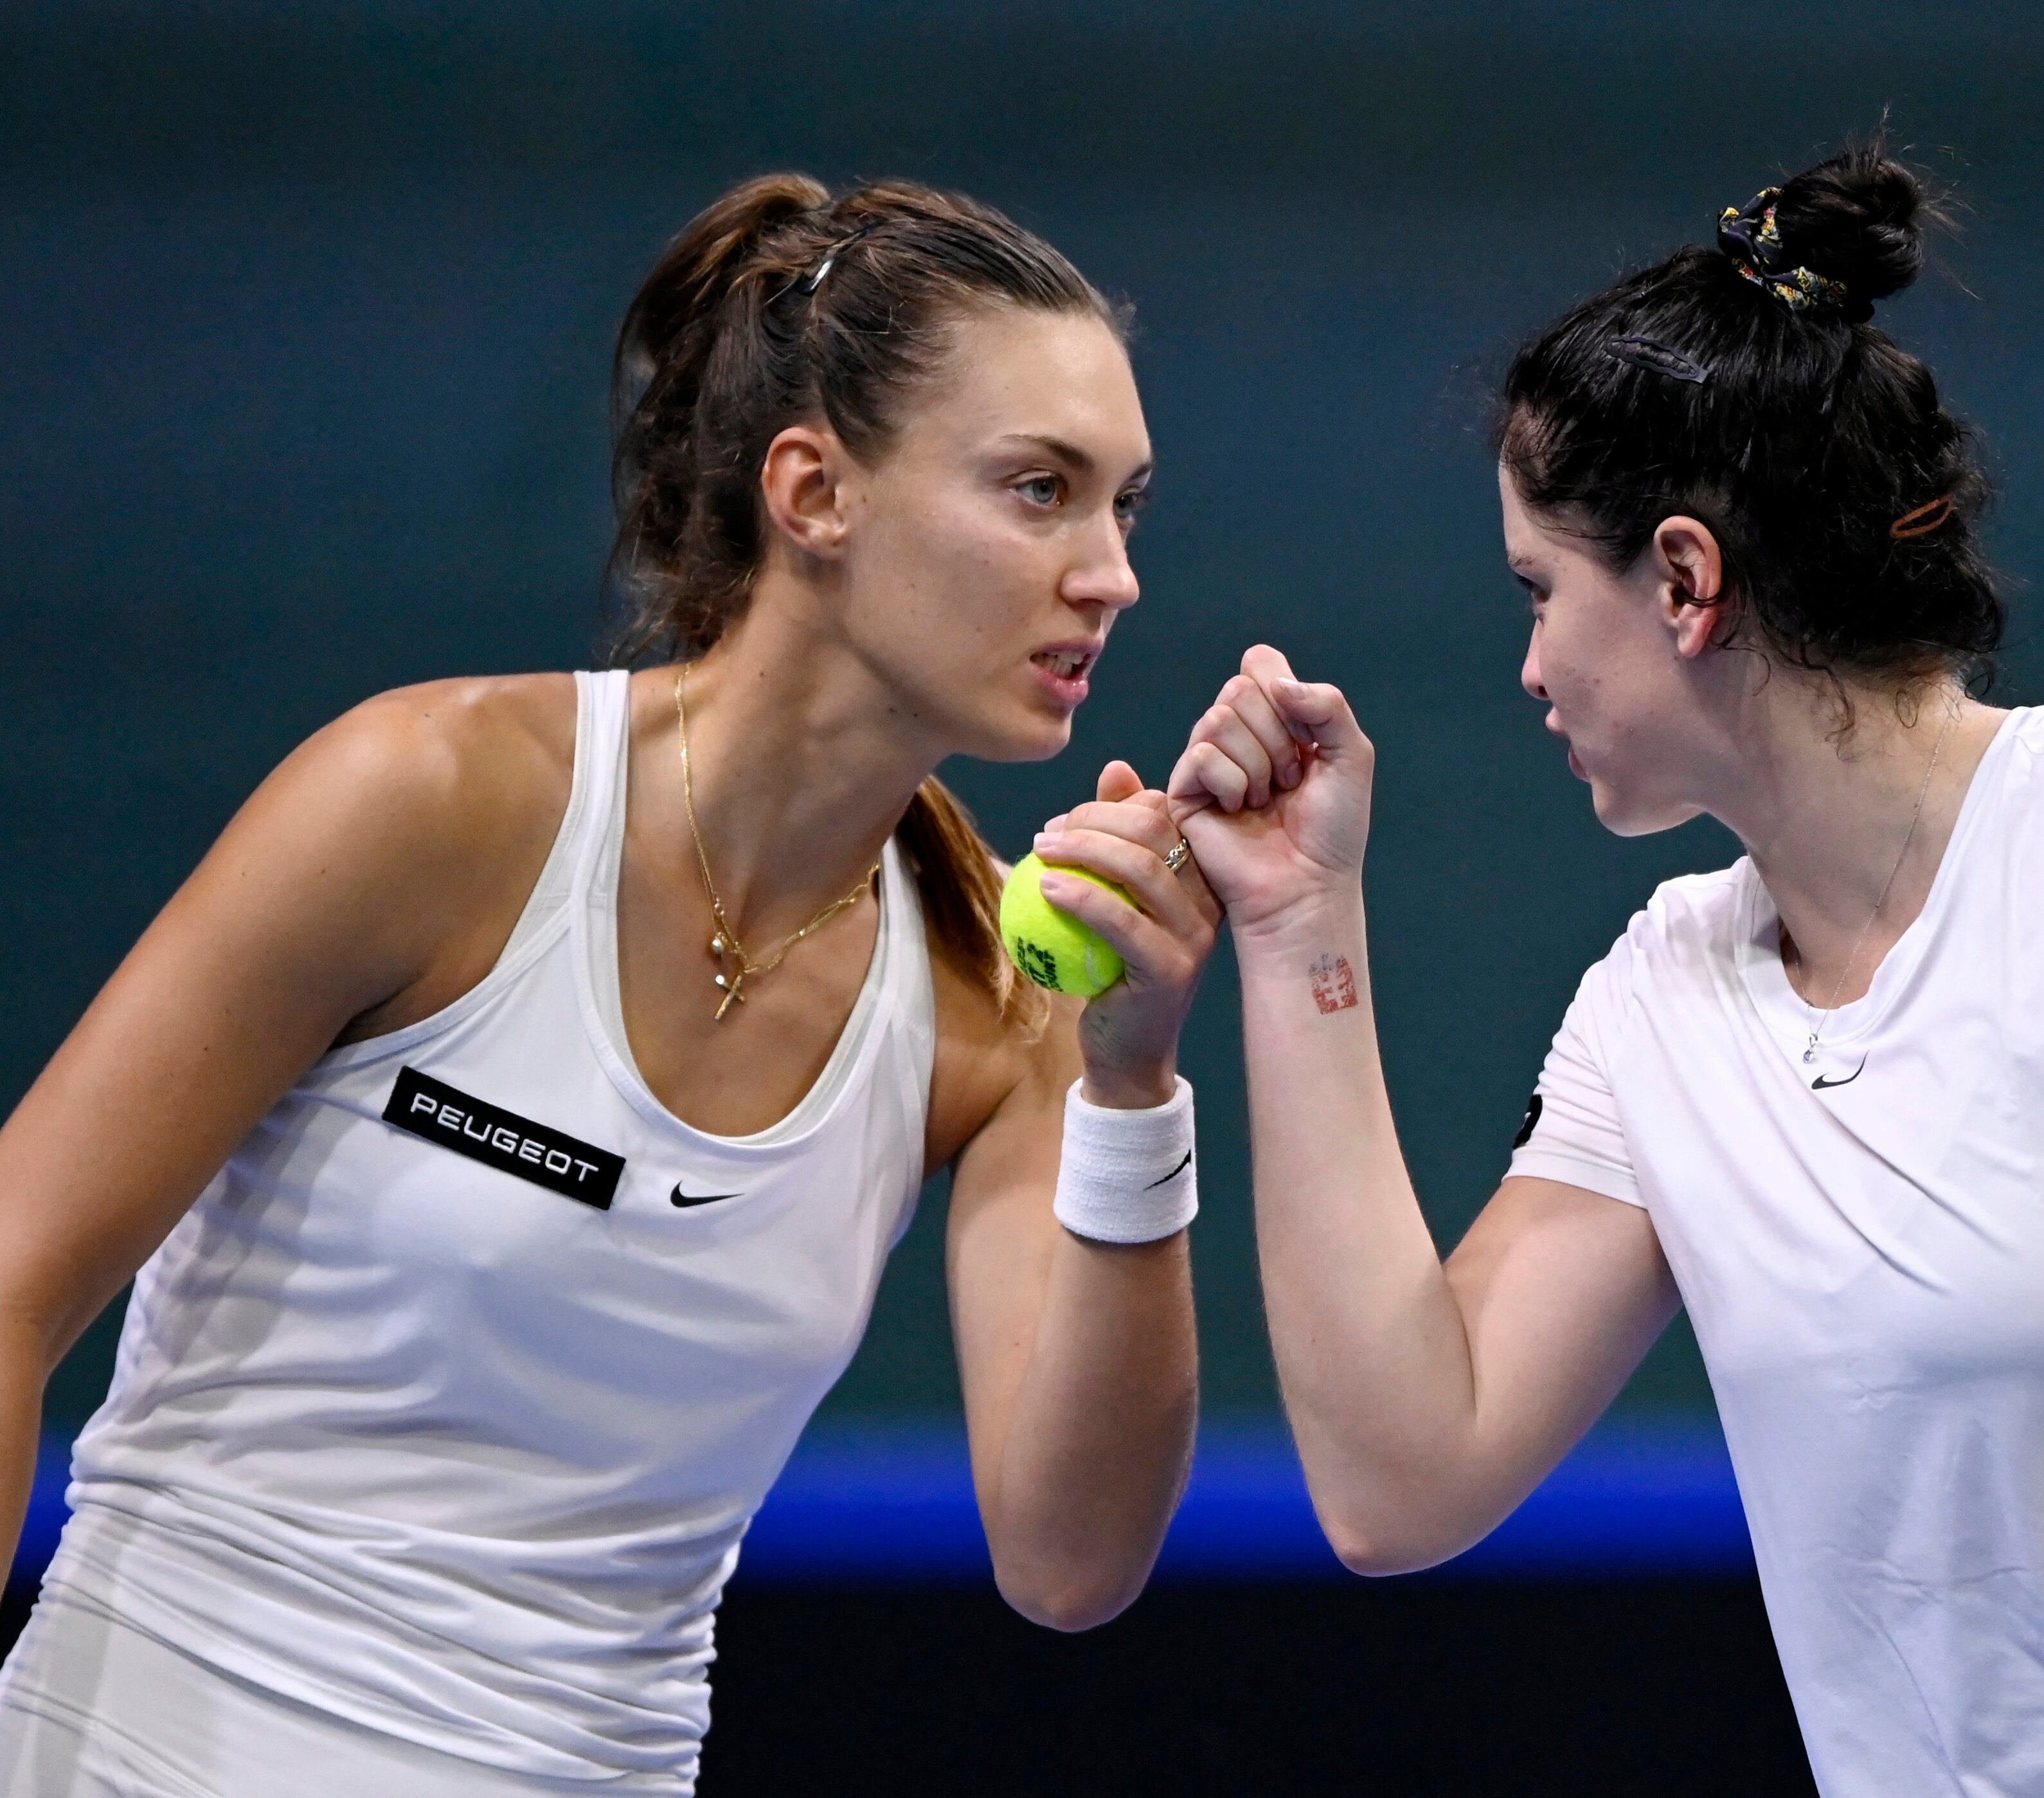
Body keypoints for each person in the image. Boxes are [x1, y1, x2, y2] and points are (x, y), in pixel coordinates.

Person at [1147, 140, 2044, 1793]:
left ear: (1686, 580)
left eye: (1539, 591)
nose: (1530, 666)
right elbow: (1400, 1480)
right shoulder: (1656, 1006)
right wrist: (1298, 928)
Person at [0, 174, 1215, 1795]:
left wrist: (1134, 1085)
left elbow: (1072, 1560)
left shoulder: (1003, 1004)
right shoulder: (423, 799)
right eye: (1041, 490)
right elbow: (13, 1281)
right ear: (814, 492)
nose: (1110, 571)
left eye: (1126, 507)